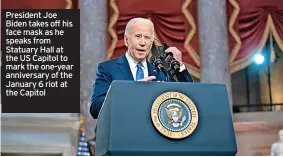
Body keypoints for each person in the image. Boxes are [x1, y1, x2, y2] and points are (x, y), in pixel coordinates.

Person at [90, 17, 194, 119]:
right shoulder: (107, 69)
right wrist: (132, 91)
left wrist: (179, 66)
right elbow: (96, 109)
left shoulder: (160, 70)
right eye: (138, 36)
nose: (143, 43)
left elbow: (189, 97)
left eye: (147, 38)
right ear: (126, 40)